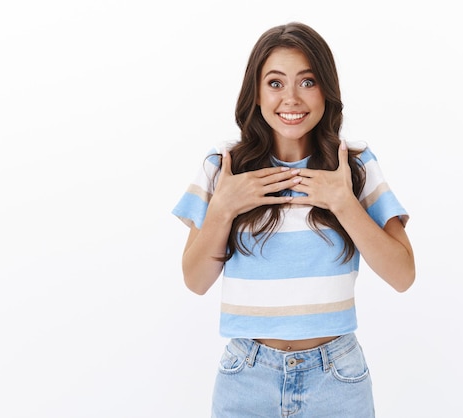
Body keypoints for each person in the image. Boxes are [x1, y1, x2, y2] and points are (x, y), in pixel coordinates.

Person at [171, 22, 415, 417]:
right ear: (256, 92)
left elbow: (403, 275)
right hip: (246, 377)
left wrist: (344, 203)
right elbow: (195, 281)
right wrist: (222, 207)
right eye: (275, 83)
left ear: (326, 90)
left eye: (307, 81)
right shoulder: (224, 167)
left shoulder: (354, 164)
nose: (291, 98)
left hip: (336, 379)